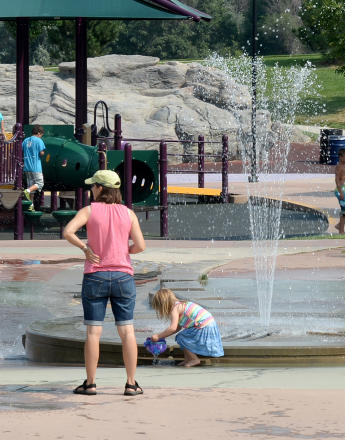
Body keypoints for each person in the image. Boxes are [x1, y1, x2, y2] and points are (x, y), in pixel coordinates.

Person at [61, 169, 146, 397]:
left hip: (95, 275)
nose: (91, 189)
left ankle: (90, 383)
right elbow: (140, 246)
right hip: (123, 276)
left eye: (93, 186)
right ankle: (131, 383)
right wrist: (123, 251)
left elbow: (68, 231)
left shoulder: (89, 211)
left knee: (93, 332)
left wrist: (85, 248)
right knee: (127, 330)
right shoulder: (128, 214)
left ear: (100, 188)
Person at [148, 287, 224, 367]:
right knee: (182, 336)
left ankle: (194, 359)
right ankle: (188, 359)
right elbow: (177, 328)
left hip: (204, 325)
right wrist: (163, 336)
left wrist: (158, 336)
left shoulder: (175, 308)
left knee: (181, 337)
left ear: (163, 304)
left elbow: (172, 328)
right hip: (208, 323)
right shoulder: (181, 304)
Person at [22, 125, 46, 209]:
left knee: (31, 186)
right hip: (35, 167)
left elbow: (22, 151)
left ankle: (30, 205)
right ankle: (26, 191)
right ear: (39, 133)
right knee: (39, 184)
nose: (41, 136)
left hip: (26, 167)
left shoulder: (25, 140)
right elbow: (41, 153)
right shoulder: (39, 140)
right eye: (41, 135)